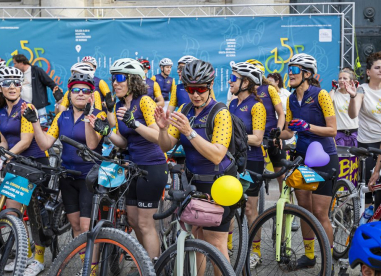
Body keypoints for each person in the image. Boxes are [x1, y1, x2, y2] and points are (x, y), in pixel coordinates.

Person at [22, 72, 106, 275]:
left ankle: (92, 270)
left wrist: (88, 117)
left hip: (90, 177)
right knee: (76, 225)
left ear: (91, 95)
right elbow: (45, 144)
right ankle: (86, 268)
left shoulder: (99, 116)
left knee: (87, 226)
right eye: (75, 90)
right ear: (69, 93)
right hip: (68, 176)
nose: (80, 93)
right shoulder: (61, 116)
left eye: (85, 90)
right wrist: (34, 122)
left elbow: (93, 144)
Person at [86, 58, 167, 262]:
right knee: (132, 219)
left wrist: (134, 123)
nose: (115, 82)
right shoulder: (121, 105)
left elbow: (158, 136)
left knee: (146, 223)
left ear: (133, 80)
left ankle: (154, 268)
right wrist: (106, 132)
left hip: (152, 166)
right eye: (113, 78)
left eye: (120, 77)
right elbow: (124, 142)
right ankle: (144, 261)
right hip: (133, 168)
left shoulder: (145, 102)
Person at [155, 59, 236, 263]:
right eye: (190, 89)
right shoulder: (185, 109)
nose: (195, 94)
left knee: (216, 244)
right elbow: (166, 145)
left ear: (210, 86)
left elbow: (217, 154)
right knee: (197, 242)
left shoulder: (221, 112)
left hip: (219, 184)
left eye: (200, 88)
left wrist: (190, 133)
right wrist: (163, 129)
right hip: (193, 184)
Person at [279, 53, 338, 270]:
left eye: (294, 70)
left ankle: (329, 263)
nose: (290, 74)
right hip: (302, 158)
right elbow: (288, 132)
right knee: (304, 207)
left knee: (320, 212)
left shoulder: (321, 95)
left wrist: (308, 127)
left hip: (324, 158)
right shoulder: (291, 98)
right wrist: (276, 134)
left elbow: (333, 130)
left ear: (307, 74)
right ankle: (310, 256)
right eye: (289, 69)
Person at [0, 67, 49, 276]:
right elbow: (5, 141)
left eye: (16, 82)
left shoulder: (27, 107)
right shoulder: (0, 111)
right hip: (16, 163)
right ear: (0, 87)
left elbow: (25, 142)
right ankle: (25, 254)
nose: (12, 87)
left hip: (34, 163)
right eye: (7, 83)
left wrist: (2, 158)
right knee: (13, 213)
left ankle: (39, 260)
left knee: (34, 213)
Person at [228, 62, 266, 268]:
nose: (230, 81)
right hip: (234, 160)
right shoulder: (232, 104)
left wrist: (233, 137)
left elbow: (258, 139)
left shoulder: (257, 105)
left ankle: (256, 252)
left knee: (250, 208)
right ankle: (227, 245)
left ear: (246, 82)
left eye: (233, 78)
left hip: (252, 161)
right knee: (229, 202)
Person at [347, 51, 381, 205]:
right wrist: (352, 97)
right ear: (368, 72)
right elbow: (353, 113)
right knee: (370, 189)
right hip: (369, 144)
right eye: (377, 68)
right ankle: (363, 221)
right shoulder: (362, 90)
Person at [247, 59, 286, 190]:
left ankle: (286, 205)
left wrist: (278, 132)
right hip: (254, 137)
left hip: (272, 136)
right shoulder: (244, 91)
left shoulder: (269, 89)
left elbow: (281, 114)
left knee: (281, 174)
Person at [329, 68, 359, 147]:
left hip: (354, 134)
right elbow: (328, 103)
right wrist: (333, 88)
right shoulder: (334, 93)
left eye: (345, 78)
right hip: (339, 134)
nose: (342, 80)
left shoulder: (356, 94)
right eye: (340, 78)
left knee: (354, 159)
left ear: (351, 81)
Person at [267, 72, 296, 145]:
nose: (268, 84)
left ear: (277, 82)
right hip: (271, 126)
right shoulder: (266, 94)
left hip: (285, 127)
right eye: (267, 82)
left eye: (270, 81)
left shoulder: (286, 94)